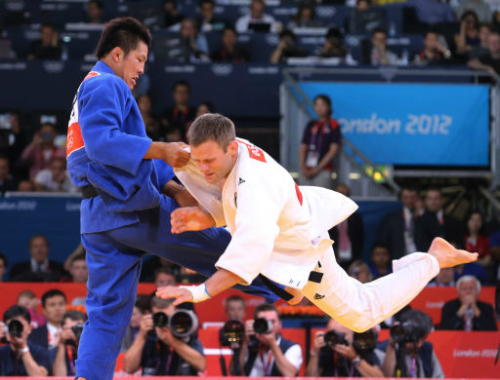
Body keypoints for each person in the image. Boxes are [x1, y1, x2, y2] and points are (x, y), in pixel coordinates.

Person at [65, 18, 280, 380]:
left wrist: (178, 188)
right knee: (220, 249)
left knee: (107, 307)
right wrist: (163, 149)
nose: (141, 69)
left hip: (97, 218)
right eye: (139, 59)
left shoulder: (88, 91)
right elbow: (103, 145)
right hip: (129, 209)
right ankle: (289, 283)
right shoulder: (106, 84)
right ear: (118, 54)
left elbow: (124, 153)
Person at [156, 113, 477, 341]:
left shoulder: (255, 183)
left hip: (301, 251)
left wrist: (197, 292)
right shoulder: (224, 148)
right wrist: (210, 217)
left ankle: (434, 259)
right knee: (283, 283)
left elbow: (248, 254)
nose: (203, 168)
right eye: (199, 159)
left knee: (362, 314)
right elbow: (185, 161)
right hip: (283, 229)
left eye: (209, 161)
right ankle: (287, 284)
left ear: (231, 149)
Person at [123, 297, 206, 376]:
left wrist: (173, 342)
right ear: (151, 316)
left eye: (169, 317)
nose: (165, 322)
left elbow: (201, 365)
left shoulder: (185, 331)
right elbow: (129, 368)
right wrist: (142, 335)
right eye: (160, 317)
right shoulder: (149, 334)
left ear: (176, 313)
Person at [238, 304, 302, 377]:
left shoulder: (292, 347)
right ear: (255, 324)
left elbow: (290, 374)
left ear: (280, 324)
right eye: (264, 322)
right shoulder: (249, 343)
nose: (269, 326)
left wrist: (272, 344)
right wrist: (244, 343)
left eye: (272, 321)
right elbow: (234, 371)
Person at [306, 318, 383, 378]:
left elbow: (379, 379)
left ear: (352, 334)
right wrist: (315, 354)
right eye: (331, 334)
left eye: (341, 334)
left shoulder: (362, 348)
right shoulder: (327, 348)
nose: (335, 338)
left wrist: (355, 358)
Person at [380, 310, 445, 378]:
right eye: (416, 338)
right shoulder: (384, 349)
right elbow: (386, 378)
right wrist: (391, 346)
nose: (419, 344)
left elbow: (439, 378)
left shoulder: (426, 348)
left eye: (423, 339)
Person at [299, 95, 341, 189]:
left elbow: (333, 150)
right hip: (306, 170)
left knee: (321, 196)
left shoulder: (333, 125)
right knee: (304, 195)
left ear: (329, 107)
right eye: (317, 104)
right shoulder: (311, 124)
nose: (319, 108)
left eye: (322, 105)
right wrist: (303, 167)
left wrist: (317, 169)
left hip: (323, 170)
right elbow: (303, 148)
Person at [0, 305, 50, 377]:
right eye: (12, 326)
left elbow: (40, 378)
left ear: (29, 328)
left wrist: (23, 347)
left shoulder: (40, 351)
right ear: (6, 328)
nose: (16, 329)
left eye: (20, 325)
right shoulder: (1, 352)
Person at [415, 187, 463, 252]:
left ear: (443, 200)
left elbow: (457, 243)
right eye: (430, 198)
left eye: (436, 198)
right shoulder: (420, 220)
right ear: (425, 201)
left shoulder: (453, 221)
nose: (433, 202)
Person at [379, 186, 421, 259]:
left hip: (420, 257)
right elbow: (384, 240)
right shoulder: (391, 218)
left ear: (417, 198)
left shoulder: (424, 215)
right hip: (399, 257)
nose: (409, 201)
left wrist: (422, 212)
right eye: (406, 197)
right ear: (401, 198)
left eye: (412, 197)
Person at [328, 183, 364, 269]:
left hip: (352, 261)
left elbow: (360, 240)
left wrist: (356, 258)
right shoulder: (327, 216)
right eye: (340, 193)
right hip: (332, 261)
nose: (343, 197)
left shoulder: (355, 218)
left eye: (346, 194)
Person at [52, 310, 88, 376]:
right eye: (72, 328)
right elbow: (59, 376)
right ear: (63, 329)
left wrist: (84, 341)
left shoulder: (91, 348)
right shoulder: (56, 349)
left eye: (80, 328)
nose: (77, 332)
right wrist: (61, 342)